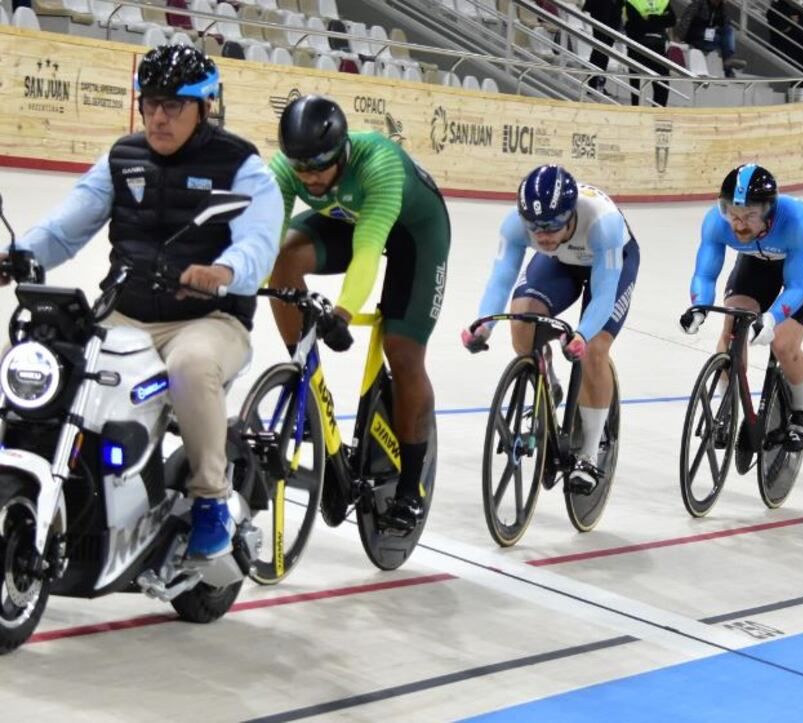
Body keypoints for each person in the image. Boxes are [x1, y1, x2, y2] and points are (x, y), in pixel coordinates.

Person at [3, 44, 283, 558]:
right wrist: (12, 257)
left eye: (173, 105)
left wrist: (223, 272)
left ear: (205, 106)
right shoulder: (122, 158)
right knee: (45, 354)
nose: (158, 116)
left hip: (209, 316)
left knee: (191, 368)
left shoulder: (242, 167)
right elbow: (66, 229)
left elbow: (259, 245)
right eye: (150, 102)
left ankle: (210, 499)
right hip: (127, 310)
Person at [269, 94, 450, 533]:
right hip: (345, 218)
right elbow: (266, 238)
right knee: (283, 262)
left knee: (403, 352)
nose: (308, 178)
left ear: (342, 153)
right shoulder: (286, 167)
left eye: (318, 168)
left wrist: (344, 313)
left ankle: (410, 489)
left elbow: (369, 248)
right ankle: (306, 383)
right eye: (301, 169)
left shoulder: (378, 164)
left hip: (415, 233)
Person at [461, 165, 640, 493]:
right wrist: (483, 326)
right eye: (535, 227)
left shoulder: (604, 224)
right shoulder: (516, 226)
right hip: (561, 262)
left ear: (571, 214)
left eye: (552, 226)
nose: (542, 235)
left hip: (611, 261)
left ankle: (589, 453)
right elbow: (501, 280)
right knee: (522, 317)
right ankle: (551, 385)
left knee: (595, 350)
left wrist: (582, 336)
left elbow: (603, 294)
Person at [680, 163, 803, 451]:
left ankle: (802, 412)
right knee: (733, 326)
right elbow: (705, 273)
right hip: (756, 263)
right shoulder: (717, 222)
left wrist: (774, 318)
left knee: (784, 345)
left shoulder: (796, 220)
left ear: (768, 211)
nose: (739, 224)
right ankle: (725, 410)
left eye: (749, 216)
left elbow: (798, 287)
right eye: (732, 214)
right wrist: (699, 306)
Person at [623, 0, 676, 107]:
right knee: (636, 85)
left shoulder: (663, 1)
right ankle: (636, 111)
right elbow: (635, 23)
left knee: (662, 84)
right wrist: (658, 20)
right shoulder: (631, 1)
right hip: (637, 46)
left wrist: (650, 18)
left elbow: (672, 20)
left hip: (658, 47)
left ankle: (658, 113)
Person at [675, 0, 746, 77]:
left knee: (728, 30)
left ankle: (728, 61)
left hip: (710, 36)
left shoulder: (722, 7)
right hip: (695, 36)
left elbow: (726, 24)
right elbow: (686, 19)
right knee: (719, 39)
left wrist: (723, 12)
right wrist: (679, 37)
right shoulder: (699, 3)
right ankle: (728, 67)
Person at [582, 0, 625, 94]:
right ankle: (594, 84)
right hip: (601, 14)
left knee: (605, 52)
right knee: (599, 52)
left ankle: (598, 83)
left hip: (613, 17)